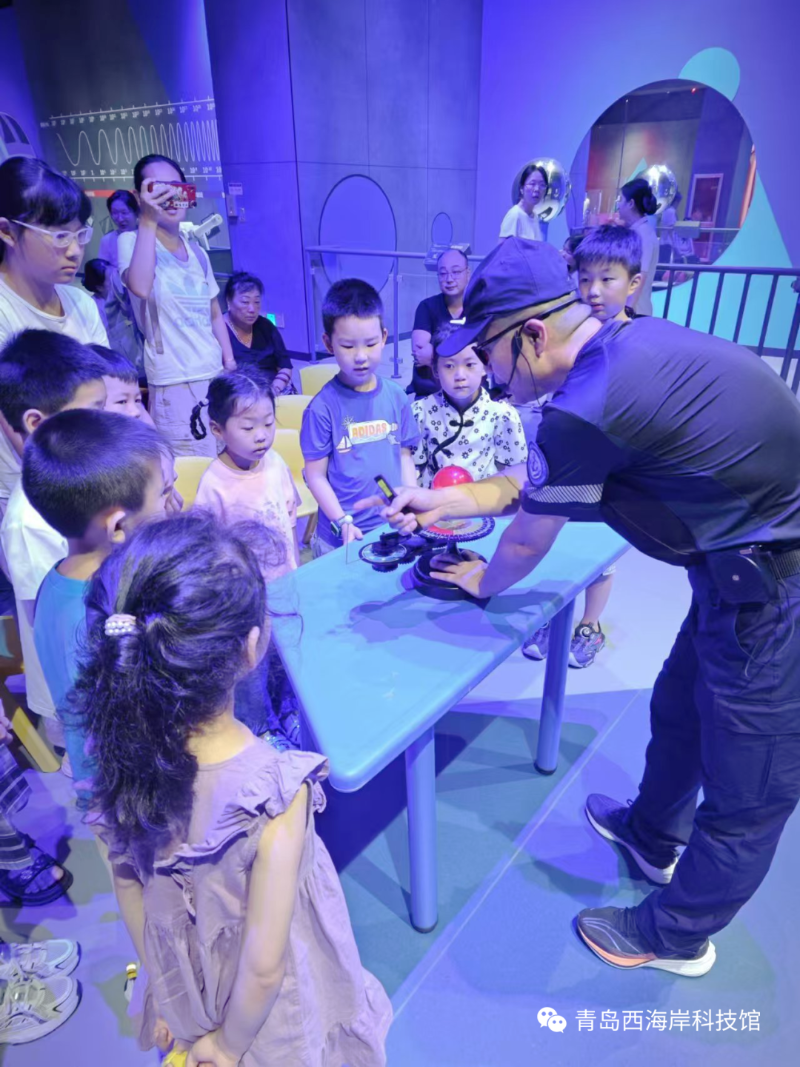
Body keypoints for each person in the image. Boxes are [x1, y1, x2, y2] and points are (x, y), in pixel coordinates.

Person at [364, 235, 800, 977]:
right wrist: (441, 500)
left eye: (490, 353)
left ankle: (677, 935)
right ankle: (651, 836)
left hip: (776, 589)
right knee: (681, 708)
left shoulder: (586, 406)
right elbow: (533, 486)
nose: (489, 375)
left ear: (532, 335)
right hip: (732, 569)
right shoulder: (622, 349)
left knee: (748, 784)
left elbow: (526, 539)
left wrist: (480, 583)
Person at [70, 512, 392, 1064]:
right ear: (250, 648)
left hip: (185, 987)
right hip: (259, 1019)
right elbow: (264, 968)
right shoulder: (274, 793)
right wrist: (227, 1045)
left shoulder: (116, 768)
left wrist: (166, 992)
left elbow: (130, 892)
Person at [26, 409, 169, 792]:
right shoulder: (99, 614)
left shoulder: (55, 581)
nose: (173, 502)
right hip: (123, 789)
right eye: (164, 494)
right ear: (117, 526)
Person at [523, 226, 643, 667]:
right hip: (573, 460)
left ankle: (590, 625)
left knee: (599, 552)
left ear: (633, 283)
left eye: (607, 279)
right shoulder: (577, 332)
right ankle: (554, 615)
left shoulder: (635, 342)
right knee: (560, 539)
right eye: (585, 278)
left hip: (614, 469)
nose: (593, 290)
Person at [0, 331, 107, 744]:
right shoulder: (30, 520)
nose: (106, 425)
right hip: (78, 695)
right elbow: (57, 624)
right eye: (93, 413)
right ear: (36, 423)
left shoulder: (78, 480)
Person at [192, 369, 302, 748]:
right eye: (248, 426)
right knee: (252, 667)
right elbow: (206, 552)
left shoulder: (275, 463)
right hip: (244, 600)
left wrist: (294, 569)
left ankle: (288, 710)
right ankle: (260, 727)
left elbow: (290, 515)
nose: (261, 435)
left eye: (268, 423)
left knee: (286, 657)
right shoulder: (213, 484)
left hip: (285, 586)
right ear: (218, 429)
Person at [0, 157, 107, 520]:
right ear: (7, 232)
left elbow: (109, 390)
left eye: (80, 234)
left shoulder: (80, 302)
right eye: (59, 236)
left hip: (94, 477)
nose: (75, 250)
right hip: (33, 493)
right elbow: (13, 425)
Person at [119, 153, 235, 457]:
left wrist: (229, 363)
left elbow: (214, 313)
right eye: (157, 188)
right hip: (175, 384)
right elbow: (140, 286)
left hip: (214, 376)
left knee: (224, 468)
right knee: (191, 474)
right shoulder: (131, 242)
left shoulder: (197, 252)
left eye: (175, 187)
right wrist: (147, 219)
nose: (169, 196)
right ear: (139, 196)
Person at [301, 279, 419, 557]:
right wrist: (342, 520)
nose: (361, 356)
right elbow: (315, 476)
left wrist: (410, 499)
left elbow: (404, 457)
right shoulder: (322, 408)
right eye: (348, 346)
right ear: (328, 343)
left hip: (391, 528)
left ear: (384, 337)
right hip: (342, 538)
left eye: (370, 343)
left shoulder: (397, 396)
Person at [411, 324, 527, 487]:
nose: (460, 376)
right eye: (449, 366)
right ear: (436, 370)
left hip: (483, 500)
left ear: (485, 366)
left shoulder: (502, 414)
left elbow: (513, 472)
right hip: (433, 498)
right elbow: (414, 468)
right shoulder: (420, 412)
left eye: (470, 364)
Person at [409, 249, 471, 400]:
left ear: (468, 273)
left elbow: (486, 354)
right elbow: (421, 354)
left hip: (470, 390)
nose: (449, 279)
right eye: (443, 273)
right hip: (430, 392)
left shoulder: (479, 308)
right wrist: (466, 358)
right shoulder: (426, 307)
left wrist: (435, 356)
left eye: (456, 272)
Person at [223, 272, 293, 394]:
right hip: (239, 396)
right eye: (245, 302)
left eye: (257, 302)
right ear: (229, 300)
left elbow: (285, 366)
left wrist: (274, 390)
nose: (252, 309)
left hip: (274, 392)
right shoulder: (220, 330)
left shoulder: (266, 326)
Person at [82, 258, 144, 375]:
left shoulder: (125, 297)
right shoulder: (92, 307)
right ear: (99, 287)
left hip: (141, 361)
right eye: (110, 278)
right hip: (120, 368)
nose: (116, 280)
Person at [616, 177, 659, 315]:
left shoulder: (643, 235)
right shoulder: (638, 231)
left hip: (635, 311)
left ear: (631, 203)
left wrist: (628, 309)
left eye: (621, 200)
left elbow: (641, 274)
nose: (618, 205)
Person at [499, 164, 547, 244]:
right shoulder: (515, 215)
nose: (537, 189)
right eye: (532, 184)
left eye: (542, 185)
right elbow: (503, 249)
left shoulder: (534, 216)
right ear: (522, 188)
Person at [97, 189, 138, 270]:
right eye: (115, 213)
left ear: (135, 212)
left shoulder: (147, 236)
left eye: (124, 212)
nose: (120, 219)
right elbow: (103, 271)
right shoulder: (107, 240)